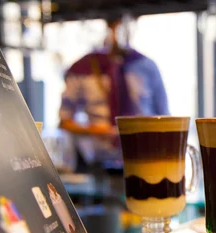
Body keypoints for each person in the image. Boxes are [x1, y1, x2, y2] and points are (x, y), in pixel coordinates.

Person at [59, 14, 169, 171]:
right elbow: (64, 121)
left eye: (120, 26)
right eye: (111, 27)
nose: (115, 34)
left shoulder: (145, 66)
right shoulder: (81, 68)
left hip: (144, 157)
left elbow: (164, 117)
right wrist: (93, 130)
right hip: (97, 163)